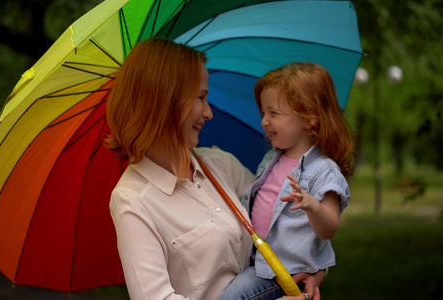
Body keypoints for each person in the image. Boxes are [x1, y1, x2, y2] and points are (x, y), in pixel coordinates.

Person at [105, 38, 323, 300]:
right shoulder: (132, 199)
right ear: (165, 101)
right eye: (200, 97)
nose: (208, 113)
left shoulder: (220, 164)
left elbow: (285, 221)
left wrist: (313, 269)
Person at [219, 62, 356, 300]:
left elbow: (329, 228)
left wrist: (313, 206)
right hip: (255, 260)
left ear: (308, 117)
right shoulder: (271, 159)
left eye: (274, 113)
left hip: (282, 273)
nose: (264, 121)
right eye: (263, 113)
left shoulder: (324, 170)